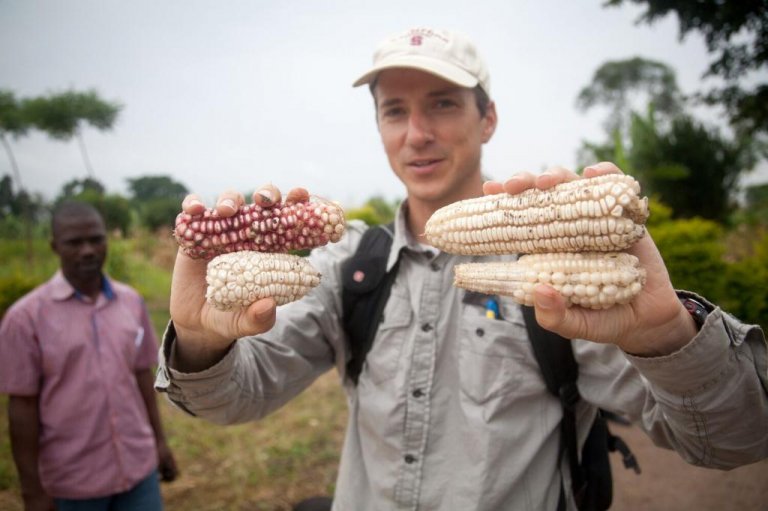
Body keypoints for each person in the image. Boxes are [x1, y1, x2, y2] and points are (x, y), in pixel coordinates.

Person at [154, 27, 768, 511]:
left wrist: (667, 336)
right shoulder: (348, 267)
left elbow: (735, 440)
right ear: (378, 128)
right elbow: (232, 400)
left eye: (443, 104)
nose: (417, 133)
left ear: (488, 118)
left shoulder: (561, 275)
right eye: (395, 111)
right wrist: (204, 339)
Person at [0, 202, 178, 511]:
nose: (87, 250)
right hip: (73, 484)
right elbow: (22, 407)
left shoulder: (131, 302)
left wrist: (159, 444)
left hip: (138, 472)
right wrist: (32, 491)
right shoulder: (25, 318)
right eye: (74, 242)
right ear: (55, 246)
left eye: (95, 239)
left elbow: (141, 375)